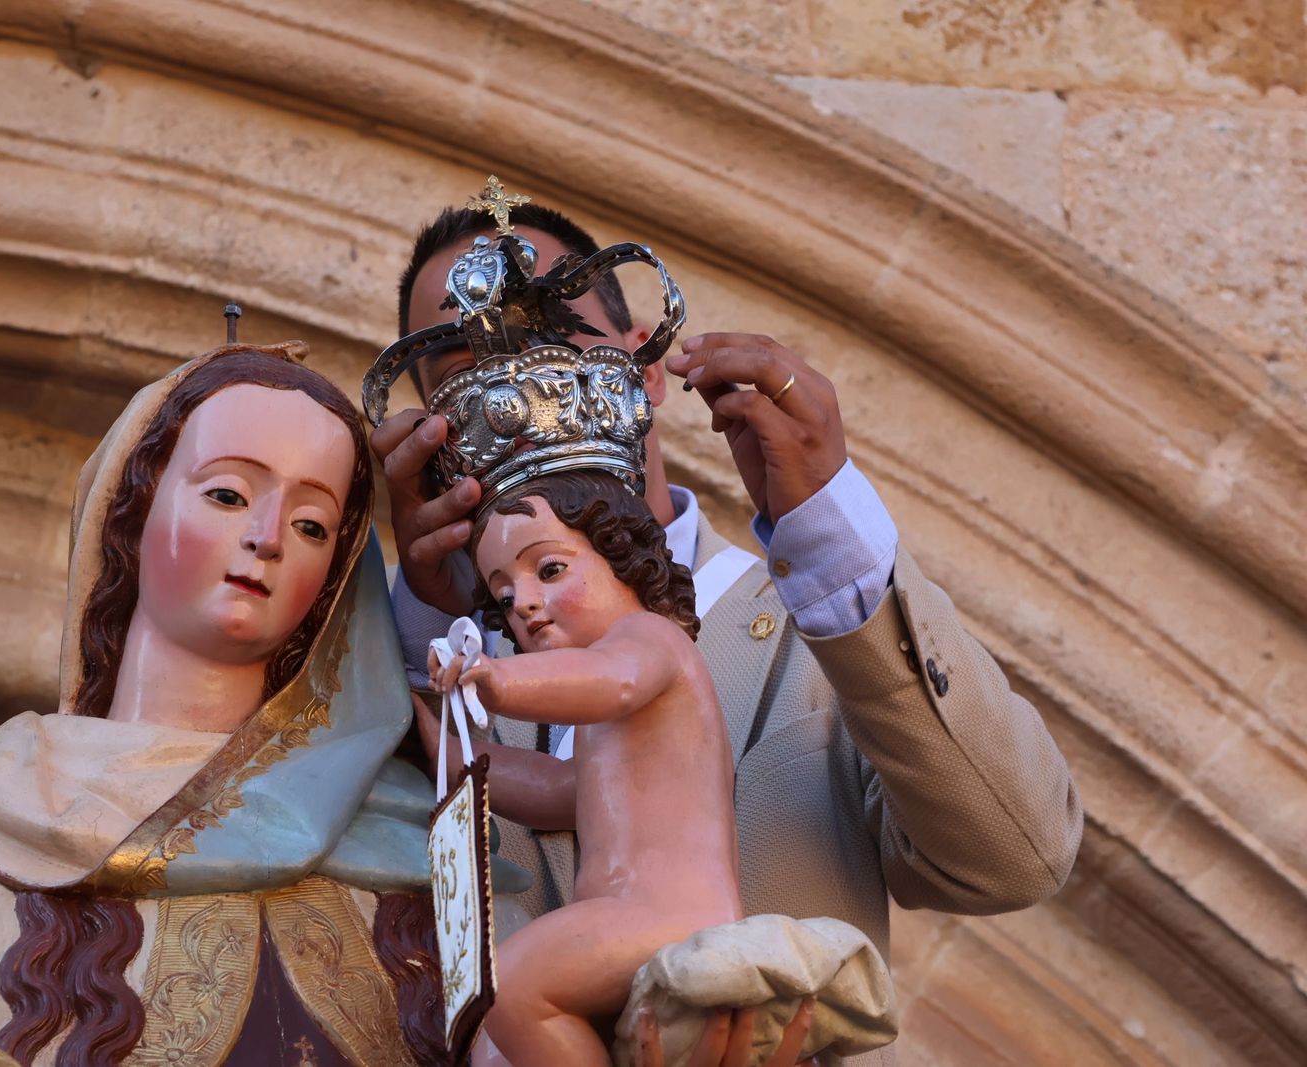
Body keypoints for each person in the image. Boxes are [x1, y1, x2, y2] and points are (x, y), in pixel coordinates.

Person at [374, 203, 1084, 1066]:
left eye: (553, 339)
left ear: (644, 363)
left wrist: (829, 534)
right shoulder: (384, 651)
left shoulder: (819, 622)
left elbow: (1017, 856)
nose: (518, 388)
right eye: (462, 369)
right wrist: (421, 625)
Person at [0, 344, 470, 1067]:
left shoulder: (410, 827)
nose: (266, 537)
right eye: (227, 494)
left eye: (312, 524)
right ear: (133, 505)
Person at [430, 471, 741, 1066]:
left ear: (623, 561)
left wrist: (498, 679)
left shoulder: (650, 642)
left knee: (516, 985)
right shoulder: (606, 727)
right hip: (621, 919)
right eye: (503, 597)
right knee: (493, 1048)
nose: (520, 603)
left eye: (548, 570)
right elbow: (558, 790)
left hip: (673, 917)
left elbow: (614, 682)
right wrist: (450, 752)